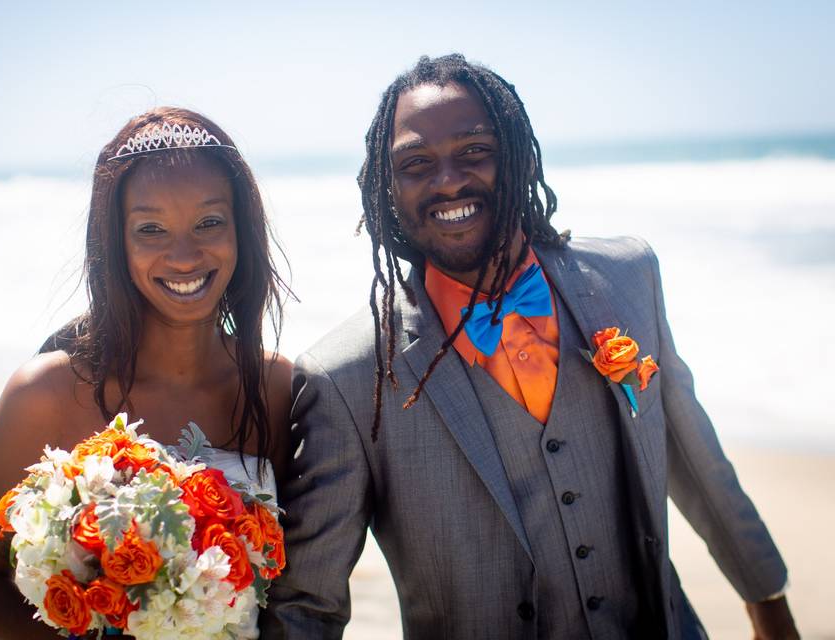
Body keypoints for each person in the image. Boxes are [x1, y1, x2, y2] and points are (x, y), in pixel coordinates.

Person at [260, 55, 799, 639]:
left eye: (473, 150)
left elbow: (696, 459)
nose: (448, 180)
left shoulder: (625, 278)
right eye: (416, 163)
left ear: (515, 153)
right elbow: (308, 606)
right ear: (388, 188)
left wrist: (768, 601)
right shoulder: (346, 378)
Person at [0, 107, 293, 638]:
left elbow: (292, 590)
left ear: (241, 232)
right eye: (151, 229)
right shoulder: (45, 393)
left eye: (209, 222)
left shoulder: (275, 388)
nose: (184, 256)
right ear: (116, 242)